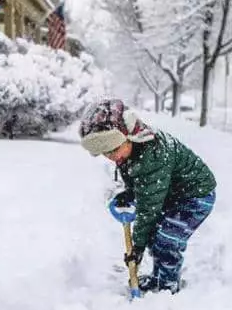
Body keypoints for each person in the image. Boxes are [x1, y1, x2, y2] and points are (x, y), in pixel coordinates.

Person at [78, 99, 216, 294]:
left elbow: (148, 209)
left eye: (115, 150)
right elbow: (142, 184)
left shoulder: (152, 155)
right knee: (156, 236)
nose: (113, 157)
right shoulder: (130, 152)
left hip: (196, 195)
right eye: (105, 153)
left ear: (129, 138)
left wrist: (137, 248)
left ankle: (167, 286)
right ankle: (159, 278)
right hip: (171, 193)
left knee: (167, 239)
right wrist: (131, 192)